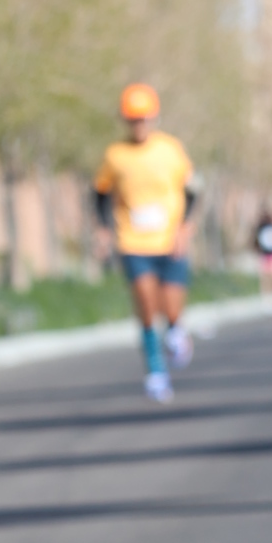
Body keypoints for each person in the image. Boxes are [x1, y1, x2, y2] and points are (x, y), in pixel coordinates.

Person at [92, 84, 197, 404]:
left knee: (171, 308)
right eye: (133, 120)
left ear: (154, 118)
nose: (139, 125)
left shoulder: (170, 149)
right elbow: (100, 193)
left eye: (144, 119)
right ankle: (156, 372)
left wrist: (185, 229)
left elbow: (192, 191)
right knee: (147, 307)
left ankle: (176, 331)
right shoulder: (115, 155)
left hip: (170, 241)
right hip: (134, 242)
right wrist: (103, 229)